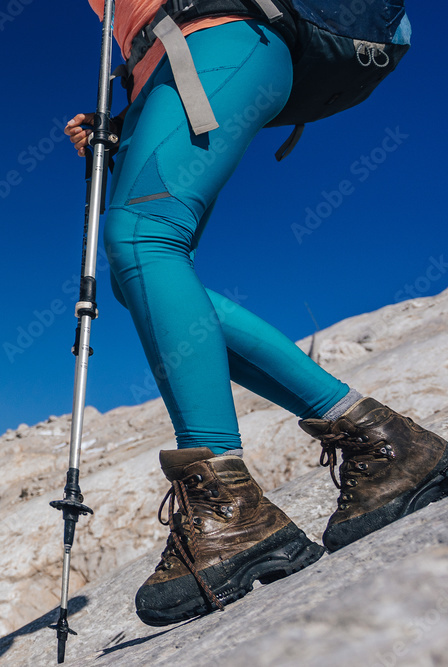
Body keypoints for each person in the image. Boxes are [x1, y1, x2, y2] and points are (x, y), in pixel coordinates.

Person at [64, 0, 448, 627]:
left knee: (142, 238)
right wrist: (130, 109)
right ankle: (382, 441)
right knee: (144, 275)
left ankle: (230, 507)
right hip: (188, 55)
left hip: (221, 38)